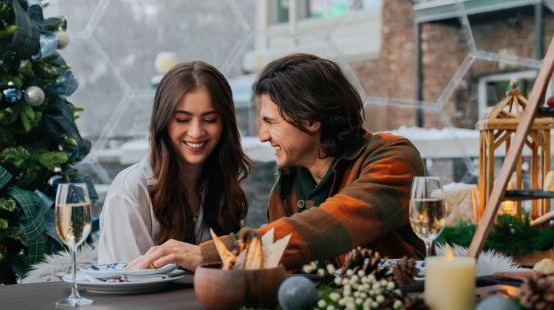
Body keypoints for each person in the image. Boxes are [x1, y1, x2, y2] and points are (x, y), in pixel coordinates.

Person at [139, 53, 425, 271]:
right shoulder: (286, 188)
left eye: (270, 122)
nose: (262, 136)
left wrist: (209, 252)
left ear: (310, 119)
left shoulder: (393, 158)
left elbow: (329, 223)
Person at [97, 61, 251, 263]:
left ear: (225, 124)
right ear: (164, 122)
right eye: (182, 119)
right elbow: (130, 282)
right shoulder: (130, 189)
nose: (196, 132)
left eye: (210, 119)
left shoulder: (220, 181)